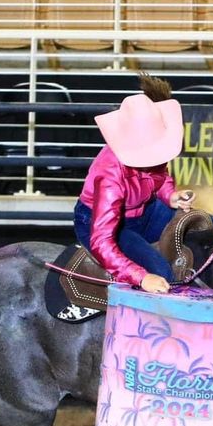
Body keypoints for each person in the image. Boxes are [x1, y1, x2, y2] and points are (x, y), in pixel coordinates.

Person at [73, 75, 195, 294]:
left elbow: (160, 177)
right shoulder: (110, 174)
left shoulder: (150, 150)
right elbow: (102, 239)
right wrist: (141, 277)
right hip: (107, 224)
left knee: (205, 225)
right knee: (161, 274)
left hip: (144, 213)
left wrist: (170, 195)